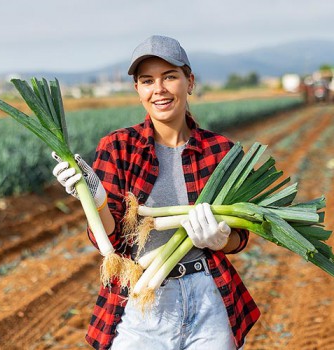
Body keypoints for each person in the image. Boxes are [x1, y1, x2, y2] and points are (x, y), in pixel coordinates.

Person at [52, 35, 260, 350]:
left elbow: (241, 237)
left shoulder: (222, 151)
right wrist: (96, 202)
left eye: (170, 77)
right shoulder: (118, 147)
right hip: (142, 298)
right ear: (138, 90)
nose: (159, 89)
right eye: (147, 80)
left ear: (189, 82)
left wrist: (221, 240)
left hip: (208, 296)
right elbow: (109, 244)